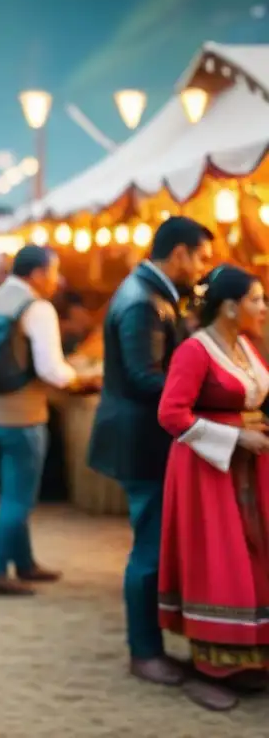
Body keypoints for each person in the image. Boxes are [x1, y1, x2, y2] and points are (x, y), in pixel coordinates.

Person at [87, 215, 213, 685]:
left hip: (141, 437)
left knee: (152, 544)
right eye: (200, 257)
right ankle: (144, 651)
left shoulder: (148, 293)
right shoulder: (144, 302)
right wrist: (205, 391)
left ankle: (149, 646)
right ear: (178, 253)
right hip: (142, 441)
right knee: (149, 549)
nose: (202, 268)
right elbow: (145, 377)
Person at [0, 245, 97, 596]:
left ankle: (25, 562)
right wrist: (80, 380)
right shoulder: (38, 308)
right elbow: (52, 370)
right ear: (36, 274)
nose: (57, 280)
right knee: (19, 498)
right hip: (22, 416)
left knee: (11, 492)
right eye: (53, 271)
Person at [157, 265, 269, 711]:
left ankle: (250, 657)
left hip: (248, 470)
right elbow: (171, 414)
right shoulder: (194, 351)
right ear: (229, 306)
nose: (263, 308)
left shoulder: (245, 346)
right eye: (257, 299)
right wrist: (236, 437)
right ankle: (212, 666)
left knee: (252, 553)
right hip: (207, 472)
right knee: (219, 558)